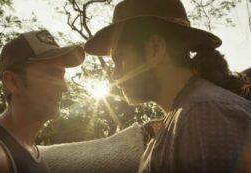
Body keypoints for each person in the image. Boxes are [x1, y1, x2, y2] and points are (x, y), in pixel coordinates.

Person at [84, 0, 251, 172]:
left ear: (155, 49)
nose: (115, 75)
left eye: (120, 60)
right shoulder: (185, 115)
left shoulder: (204, 112)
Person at [0, 30, 84, 173]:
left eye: (62, 75)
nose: (64, 88)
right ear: (13, 82)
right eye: (51, 74)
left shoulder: (29, 149)